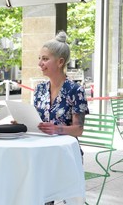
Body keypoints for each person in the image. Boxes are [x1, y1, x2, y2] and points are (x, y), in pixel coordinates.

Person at [33, 31, 89, 205]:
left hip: (66, 153)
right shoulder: (40, 89)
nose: (40, 63)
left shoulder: (75, 90)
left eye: (44, 59)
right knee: (38, 197)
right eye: (39, 58)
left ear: (60, 62)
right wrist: (23, 123)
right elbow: (37, 120)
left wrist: (57, 129)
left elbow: (78, 129)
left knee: (71, 200)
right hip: (42, 151)